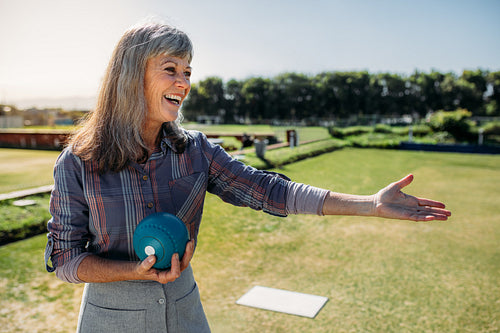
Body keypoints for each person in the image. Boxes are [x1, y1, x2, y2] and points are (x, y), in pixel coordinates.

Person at [44, 22, 451, 333]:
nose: (184, 83)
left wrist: (370, 204)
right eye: (171, 69)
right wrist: (130, 271)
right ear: (131, 75)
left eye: (188, 71)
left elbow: (269, 190)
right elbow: (64, 260)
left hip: (185, 311)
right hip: (111, 320)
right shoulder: (78, 163)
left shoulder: (196, 150)